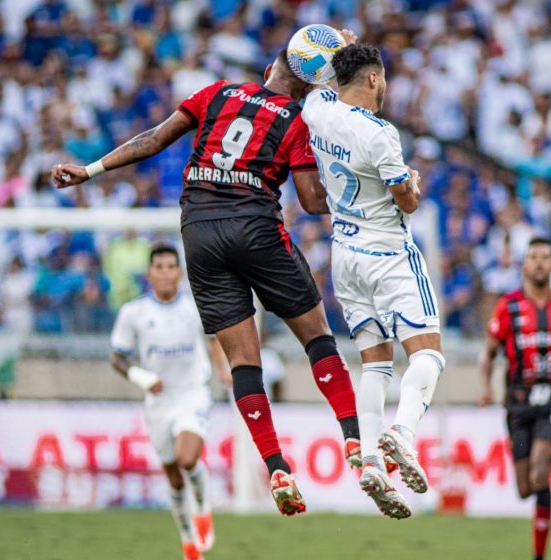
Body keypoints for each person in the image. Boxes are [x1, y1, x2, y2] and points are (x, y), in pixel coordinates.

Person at [52, 46, 361, 516]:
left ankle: (276, 464)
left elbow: (155, 138)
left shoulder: (217, 92)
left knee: (242, 361)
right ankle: (355, 441)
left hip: (198, 231)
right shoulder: (299, 119)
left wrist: (90, 171)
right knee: (317, 336)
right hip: (255, 224)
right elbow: (312, 202)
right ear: (306, 88)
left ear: (267, 71)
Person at [302, 42, 446, 519]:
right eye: (382, 78)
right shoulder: (380, 133)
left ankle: (368, 460)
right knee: (427, 354)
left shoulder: (316, 110)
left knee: (376, 364)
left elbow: (320, 83)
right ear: (372, 80)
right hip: (387, 252)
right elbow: (407, 202)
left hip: (344, 254)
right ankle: (402, 435)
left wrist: (336, 47)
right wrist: (413, 183)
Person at [478, 237, 551, 560]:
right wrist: (486, 387)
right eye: (534, 257)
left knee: (540, 473)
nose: (541, 262)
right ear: (525, 264)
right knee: (525, 488)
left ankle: (539, 555)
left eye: (546, 257)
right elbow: (487, 354)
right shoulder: (509, 307)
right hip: (518, 400)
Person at [110, 245, 228, 560]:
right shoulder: (133, 313)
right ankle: (189, 540)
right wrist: (139, 376)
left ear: (180, 272)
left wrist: (222, 370)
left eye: (170, 267)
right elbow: (117, 358)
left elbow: (214, 338)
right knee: (174, 478)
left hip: (192, 392)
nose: (164, 273)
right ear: (150, 274)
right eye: (159, 267)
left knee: (187, 458)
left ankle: (202, 506)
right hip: (158, 400)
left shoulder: (194, 307)